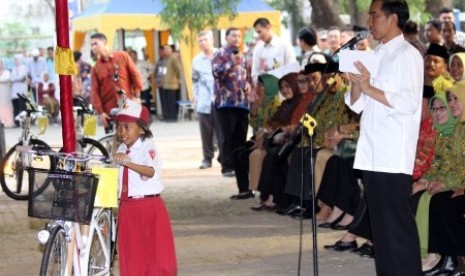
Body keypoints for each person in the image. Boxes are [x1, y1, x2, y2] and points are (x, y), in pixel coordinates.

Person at [345, 1, 423, 275]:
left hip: (392, 156)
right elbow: (357, 105)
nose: (369, 21)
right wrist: (357, 86)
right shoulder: (376, 55)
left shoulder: (408, 55)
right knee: (382, 231)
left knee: (398, 230)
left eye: (374, 15)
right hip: (372, 153)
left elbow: (409, 102)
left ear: (392, 18)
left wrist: (369, 86)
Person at [113, 99, 177, 275]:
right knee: (132, 254)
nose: (122, 132)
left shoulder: (148, 147)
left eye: (127, 127)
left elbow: (149, 171)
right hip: (127, 206)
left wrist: (128, 163)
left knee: (155, 255)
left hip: (149, 207)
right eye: (119, 127)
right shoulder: (121, 147)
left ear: (141, 129)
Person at [212, 28, 250, 177]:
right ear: (226, 38)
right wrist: (231, 63)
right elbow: (216, 73)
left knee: (240, 135)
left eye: (239, 36)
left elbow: (245, 75)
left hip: (241, 101)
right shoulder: (220, 54)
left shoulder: (242, 55)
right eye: (233, 36)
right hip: (225, 101)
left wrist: (248, 84)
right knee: (226, 135)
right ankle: (227, 166)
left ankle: (238, 165)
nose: (237, 39)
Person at [90, 32, 143, 133]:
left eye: (96, 44)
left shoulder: (122, 56)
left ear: (104, 43)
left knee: (131, 138)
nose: (93, 47)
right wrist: (101, 113)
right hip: (109, 110)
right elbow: (94, 92)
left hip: (127, 104)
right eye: (92, 45)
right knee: (111, 142)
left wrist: (137, 96)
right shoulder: (95, 68)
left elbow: (136, 75)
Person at [192, 30, 218, 169]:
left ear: (212, 40)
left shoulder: (221, 55)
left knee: (222, 132)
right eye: (200, 41)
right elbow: (194, 80)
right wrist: (195, 95)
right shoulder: (196, 60)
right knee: (206, 131)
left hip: (221, 100)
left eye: (205, 40)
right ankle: (207, 158)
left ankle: (225, 160)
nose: (203, 43)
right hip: (204, 100)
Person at [251, 17, 297, 84]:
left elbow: (292, 68)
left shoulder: (284, 45)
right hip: (265, 89)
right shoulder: (257, 49)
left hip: (282, 88)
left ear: (268, 27)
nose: (259, 36)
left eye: (259, 32)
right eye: (257, 33)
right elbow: (255, 72)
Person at [161, 45, 182, 122]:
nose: (165, 51)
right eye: (164, 49)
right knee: (167, 102)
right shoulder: (165, 59)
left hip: (172, 84)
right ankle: (168, 116)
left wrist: (177, 78)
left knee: (172, 101)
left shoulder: (173, 58)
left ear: (171, 50)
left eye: (167, 49)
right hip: (165, 84)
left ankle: (173, 117)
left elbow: (178, 69)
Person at [10, 54, 28, 126]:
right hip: (14, 91)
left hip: (22, 91)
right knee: (16, 107)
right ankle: (16, 123)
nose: (15, 61)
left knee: (22, 107)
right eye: (14, 59)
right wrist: (16, 79)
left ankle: (24, 122)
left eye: (16, 59)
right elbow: (11, 78)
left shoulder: (24, 67)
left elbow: (21, 77)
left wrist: (15, 79)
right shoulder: (13, 68)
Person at [0, 59, 14, 127]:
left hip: (5, 91)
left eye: (0, 63)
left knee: (6, 105)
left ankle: (8, 122)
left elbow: (7, 78)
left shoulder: (6, 72)